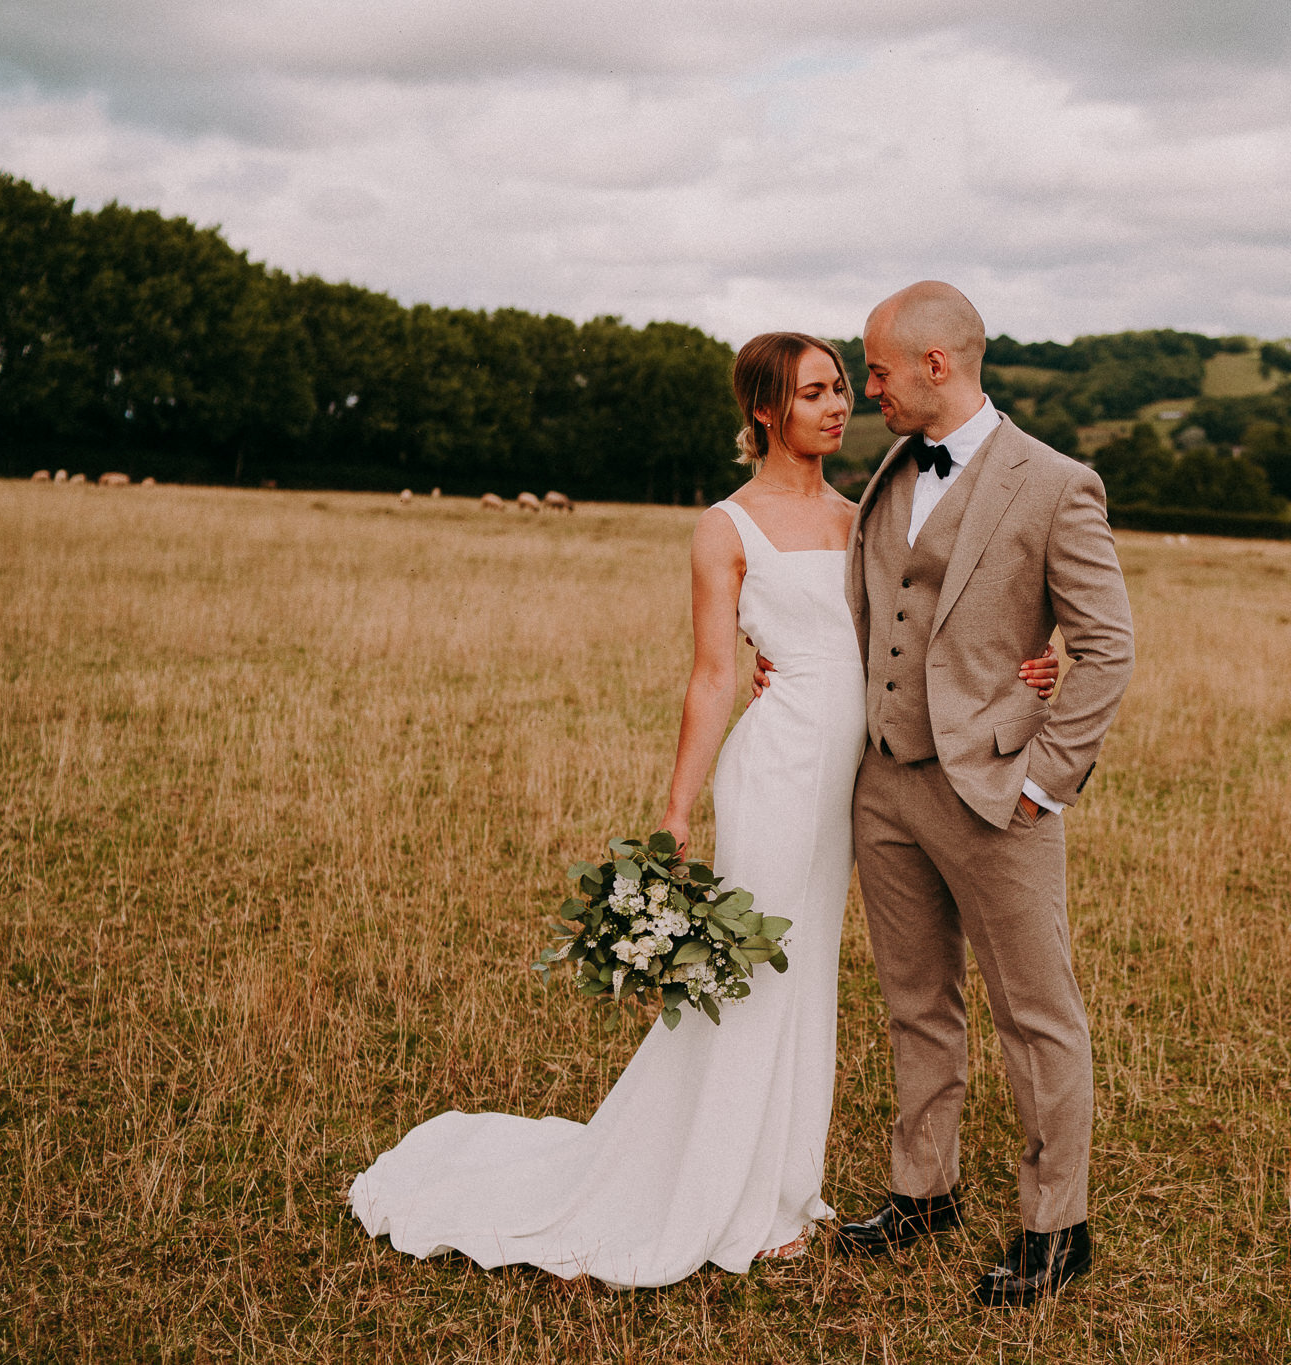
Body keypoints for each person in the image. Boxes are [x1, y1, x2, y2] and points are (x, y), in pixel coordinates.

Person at [345, 331, 1059, 1288]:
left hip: (851, 785)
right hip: (774, 774)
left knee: (802, 977)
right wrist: (677, 808)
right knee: (755, 971)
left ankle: (778, 1186)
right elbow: (714, 674)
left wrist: (1035, 662)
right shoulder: (726, 527)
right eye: (815, 392)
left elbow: (929, 631)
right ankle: (717, 1189)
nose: (839, 404)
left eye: (844, 387)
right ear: (766, 410)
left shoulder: (865, 515)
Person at [825, 281, 1135, 1306]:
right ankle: (924, 1190)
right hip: (885, 789)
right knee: (915, 1004)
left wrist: (1042, 783)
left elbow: (1103, 648)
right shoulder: (887, 469)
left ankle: (1056, 1229)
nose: (863, 389)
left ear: (936, 366)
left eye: (873, 370)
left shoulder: (1053, 485)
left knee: (1035, 1015)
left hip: (996, 793)